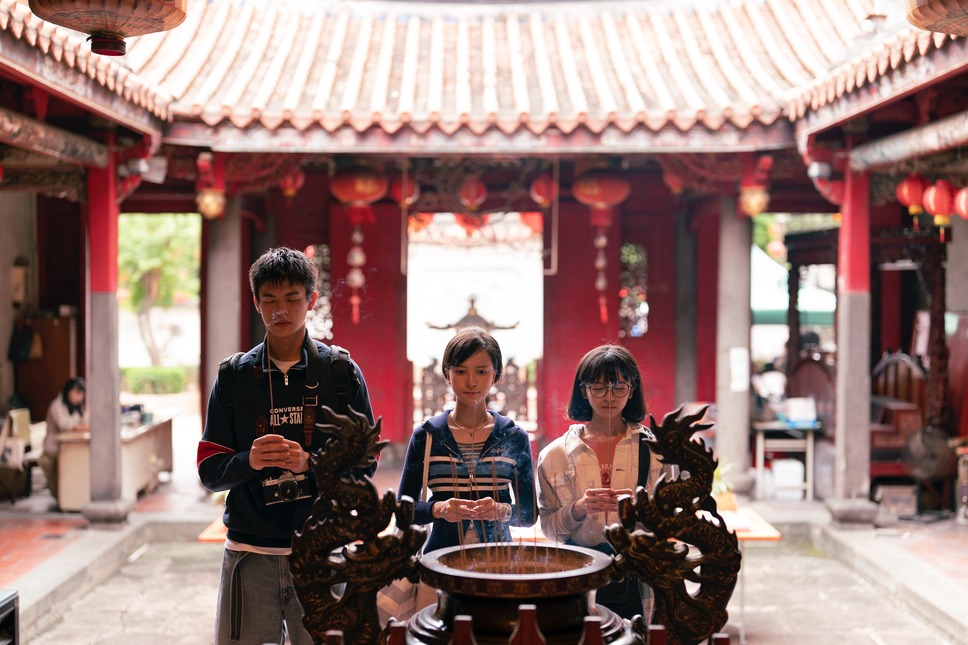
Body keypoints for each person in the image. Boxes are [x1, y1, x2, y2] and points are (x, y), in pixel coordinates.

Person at [197, 247, 374, 645]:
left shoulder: (340, 373)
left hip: (322, 550)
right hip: (249, 551)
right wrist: (249, 460)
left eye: (292, 298)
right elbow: (209, 470)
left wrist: (313, 463)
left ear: (311, 300)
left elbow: (366, 464)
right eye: (270, 300)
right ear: (256, 302)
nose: (281, 310)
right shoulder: (234, 377)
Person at [536, 344, 666, 621]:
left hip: (641, 577)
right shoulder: (555, 455)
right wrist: (578, 508)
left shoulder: (654, 451)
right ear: (583, 390)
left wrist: (641, 510)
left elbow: (669, 521)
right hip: (579, 576)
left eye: (619, 387)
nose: (609, 396)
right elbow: (548, 527)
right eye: (598, 387)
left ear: (632, 390)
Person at [397, 326, 536, 555]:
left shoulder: (513, 436)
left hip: (499, 562)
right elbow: (403, 509)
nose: (471, 382)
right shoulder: (427, 435)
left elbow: (530, 514)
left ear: (496, 375)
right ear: (447, 374)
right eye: (461, 372)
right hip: (440, 560)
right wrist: (438, 509)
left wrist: (500, 510)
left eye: (481, 372)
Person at [38, 377, 89, 504]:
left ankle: (74, 497)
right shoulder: (57, 405)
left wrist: (80, 426)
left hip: (71, 446)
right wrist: (78, 426)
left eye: (81, 393)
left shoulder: (78, 407)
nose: (79, 397)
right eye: (76, 393)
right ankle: (66, 500)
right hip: (54, 449)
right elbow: (64, 425)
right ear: (68, 391)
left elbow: (86, 422)